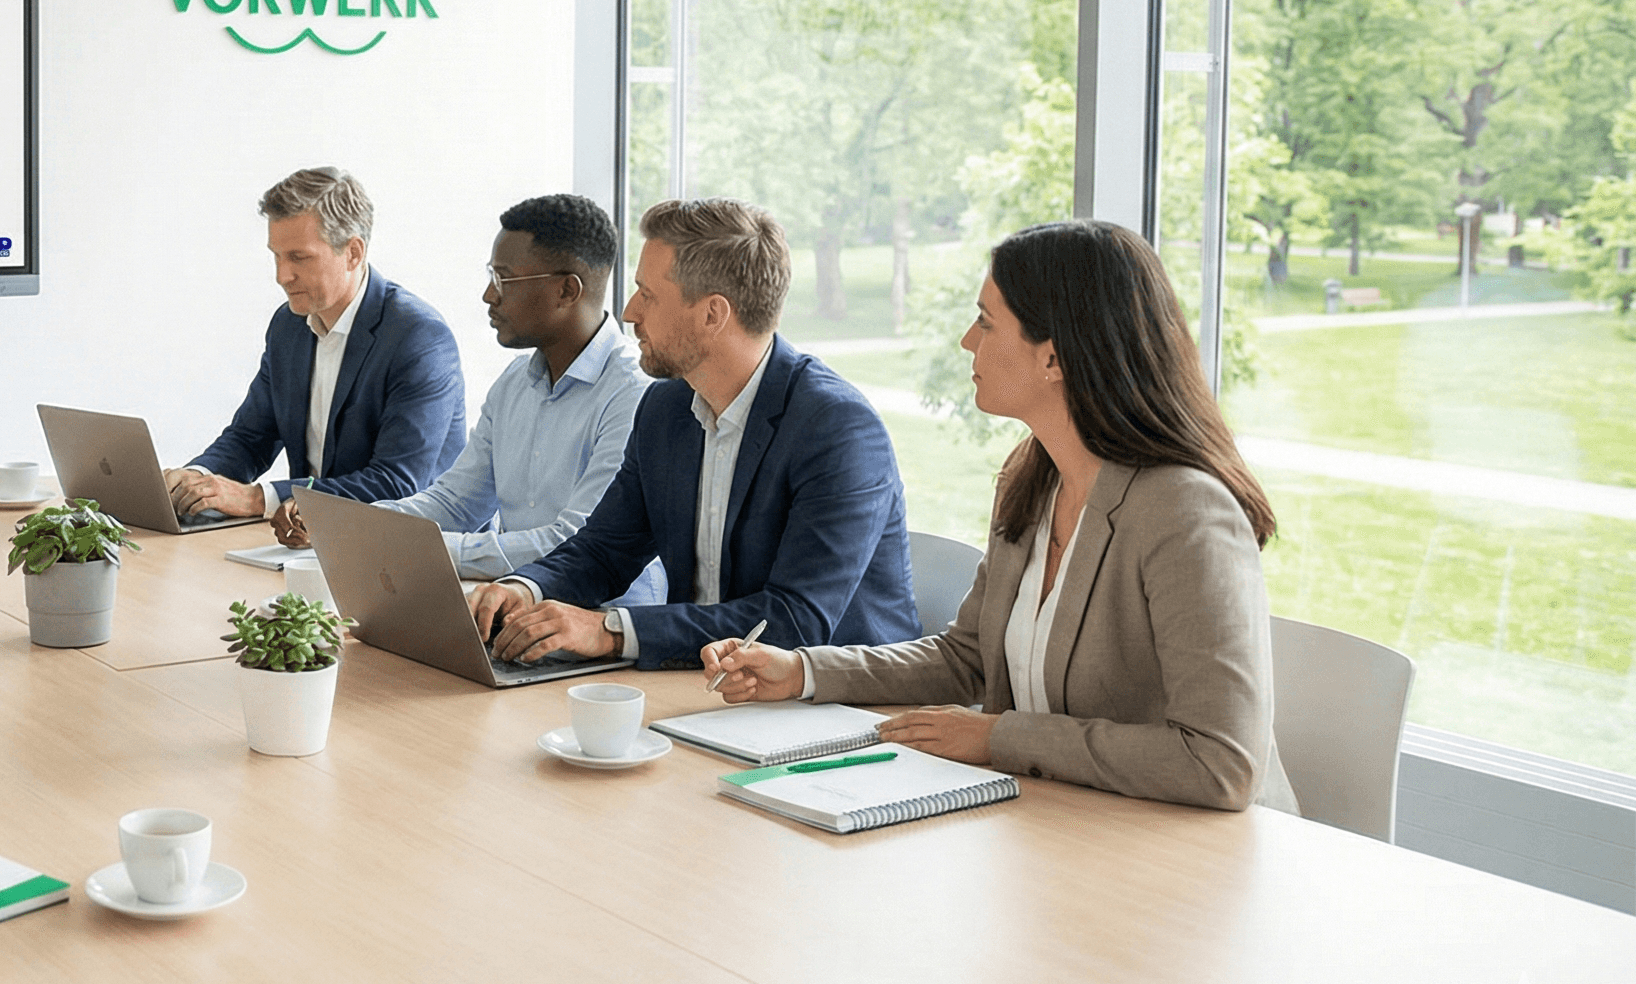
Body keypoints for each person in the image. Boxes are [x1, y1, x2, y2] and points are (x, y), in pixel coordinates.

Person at [705, 221, 1299, 813]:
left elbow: (1220, 762)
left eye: (987, 322)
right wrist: (800, 672)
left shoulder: (1187, 512)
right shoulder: (1034, 478)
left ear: (1055, 357)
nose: (968, 340)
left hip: (1199, 857)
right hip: (1066, 824)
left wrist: (999, 738)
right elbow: (968, 657)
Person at [472, 197, 915, 668]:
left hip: (835, 705)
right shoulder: (666, 407)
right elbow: (604, 549)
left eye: (648, 294)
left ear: (712, 314)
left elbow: (793, 621)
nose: (628, 312)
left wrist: (609, 631)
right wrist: (523, 588)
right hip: (703, 682)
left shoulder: (838, 429)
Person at [272, 193, 662, 604]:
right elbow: (456, 503)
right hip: (515, 608)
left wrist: (411, 550)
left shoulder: (633, 395)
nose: (488, 296)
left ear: (566, 290)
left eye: (503, 280)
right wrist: (346, 526)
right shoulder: (515, 382)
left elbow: (573, 541)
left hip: (602, 623)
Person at [167, 166, 466, 520]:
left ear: (353, 252)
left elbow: (396, 483)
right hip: (314, 539)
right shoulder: (288, 325)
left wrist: (258, 499)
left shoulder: (418, 338)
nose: (282, 276)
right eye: (276, 255)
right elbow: (250, 438)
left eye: (299, 257)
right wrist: (194, 480)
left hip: (413, 548)